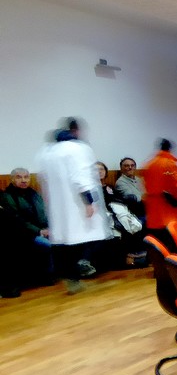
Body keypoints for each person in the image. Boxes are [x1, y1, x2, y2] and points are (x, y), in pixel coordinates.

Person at [35, 118, 110, 294]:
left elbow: (42, 179)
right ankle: (75, 274)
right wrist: (89, 201)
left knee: (63, 242)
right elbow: (80, 177)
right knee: (80, 239)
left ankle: (70, 277)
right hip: (76, 204)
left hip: (57, 207)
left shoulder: (47, 152)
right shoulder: (76, 150)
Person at [1, 167, 53, 285]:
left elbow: (44, 213)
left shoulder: (34, 194)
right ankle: (48, 276)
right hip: (25, 234)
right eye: (19, 177)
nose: (24, 180)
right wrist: (39, 231)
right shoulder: (7, 197)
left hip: (42, 230)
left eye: (26, 177)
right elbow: (17, 220)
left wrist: (49, 228)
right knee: (47, 244)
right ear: (12, 179)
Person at [142, 138, 177, 250]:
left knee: (157, 243)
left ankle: (158, 260)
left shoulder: (149, 164)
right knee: (172, 243)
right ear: (169, 149)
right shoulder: (170, 164)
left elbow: (146, 185)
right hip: (168, 210)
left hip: (153, 210)